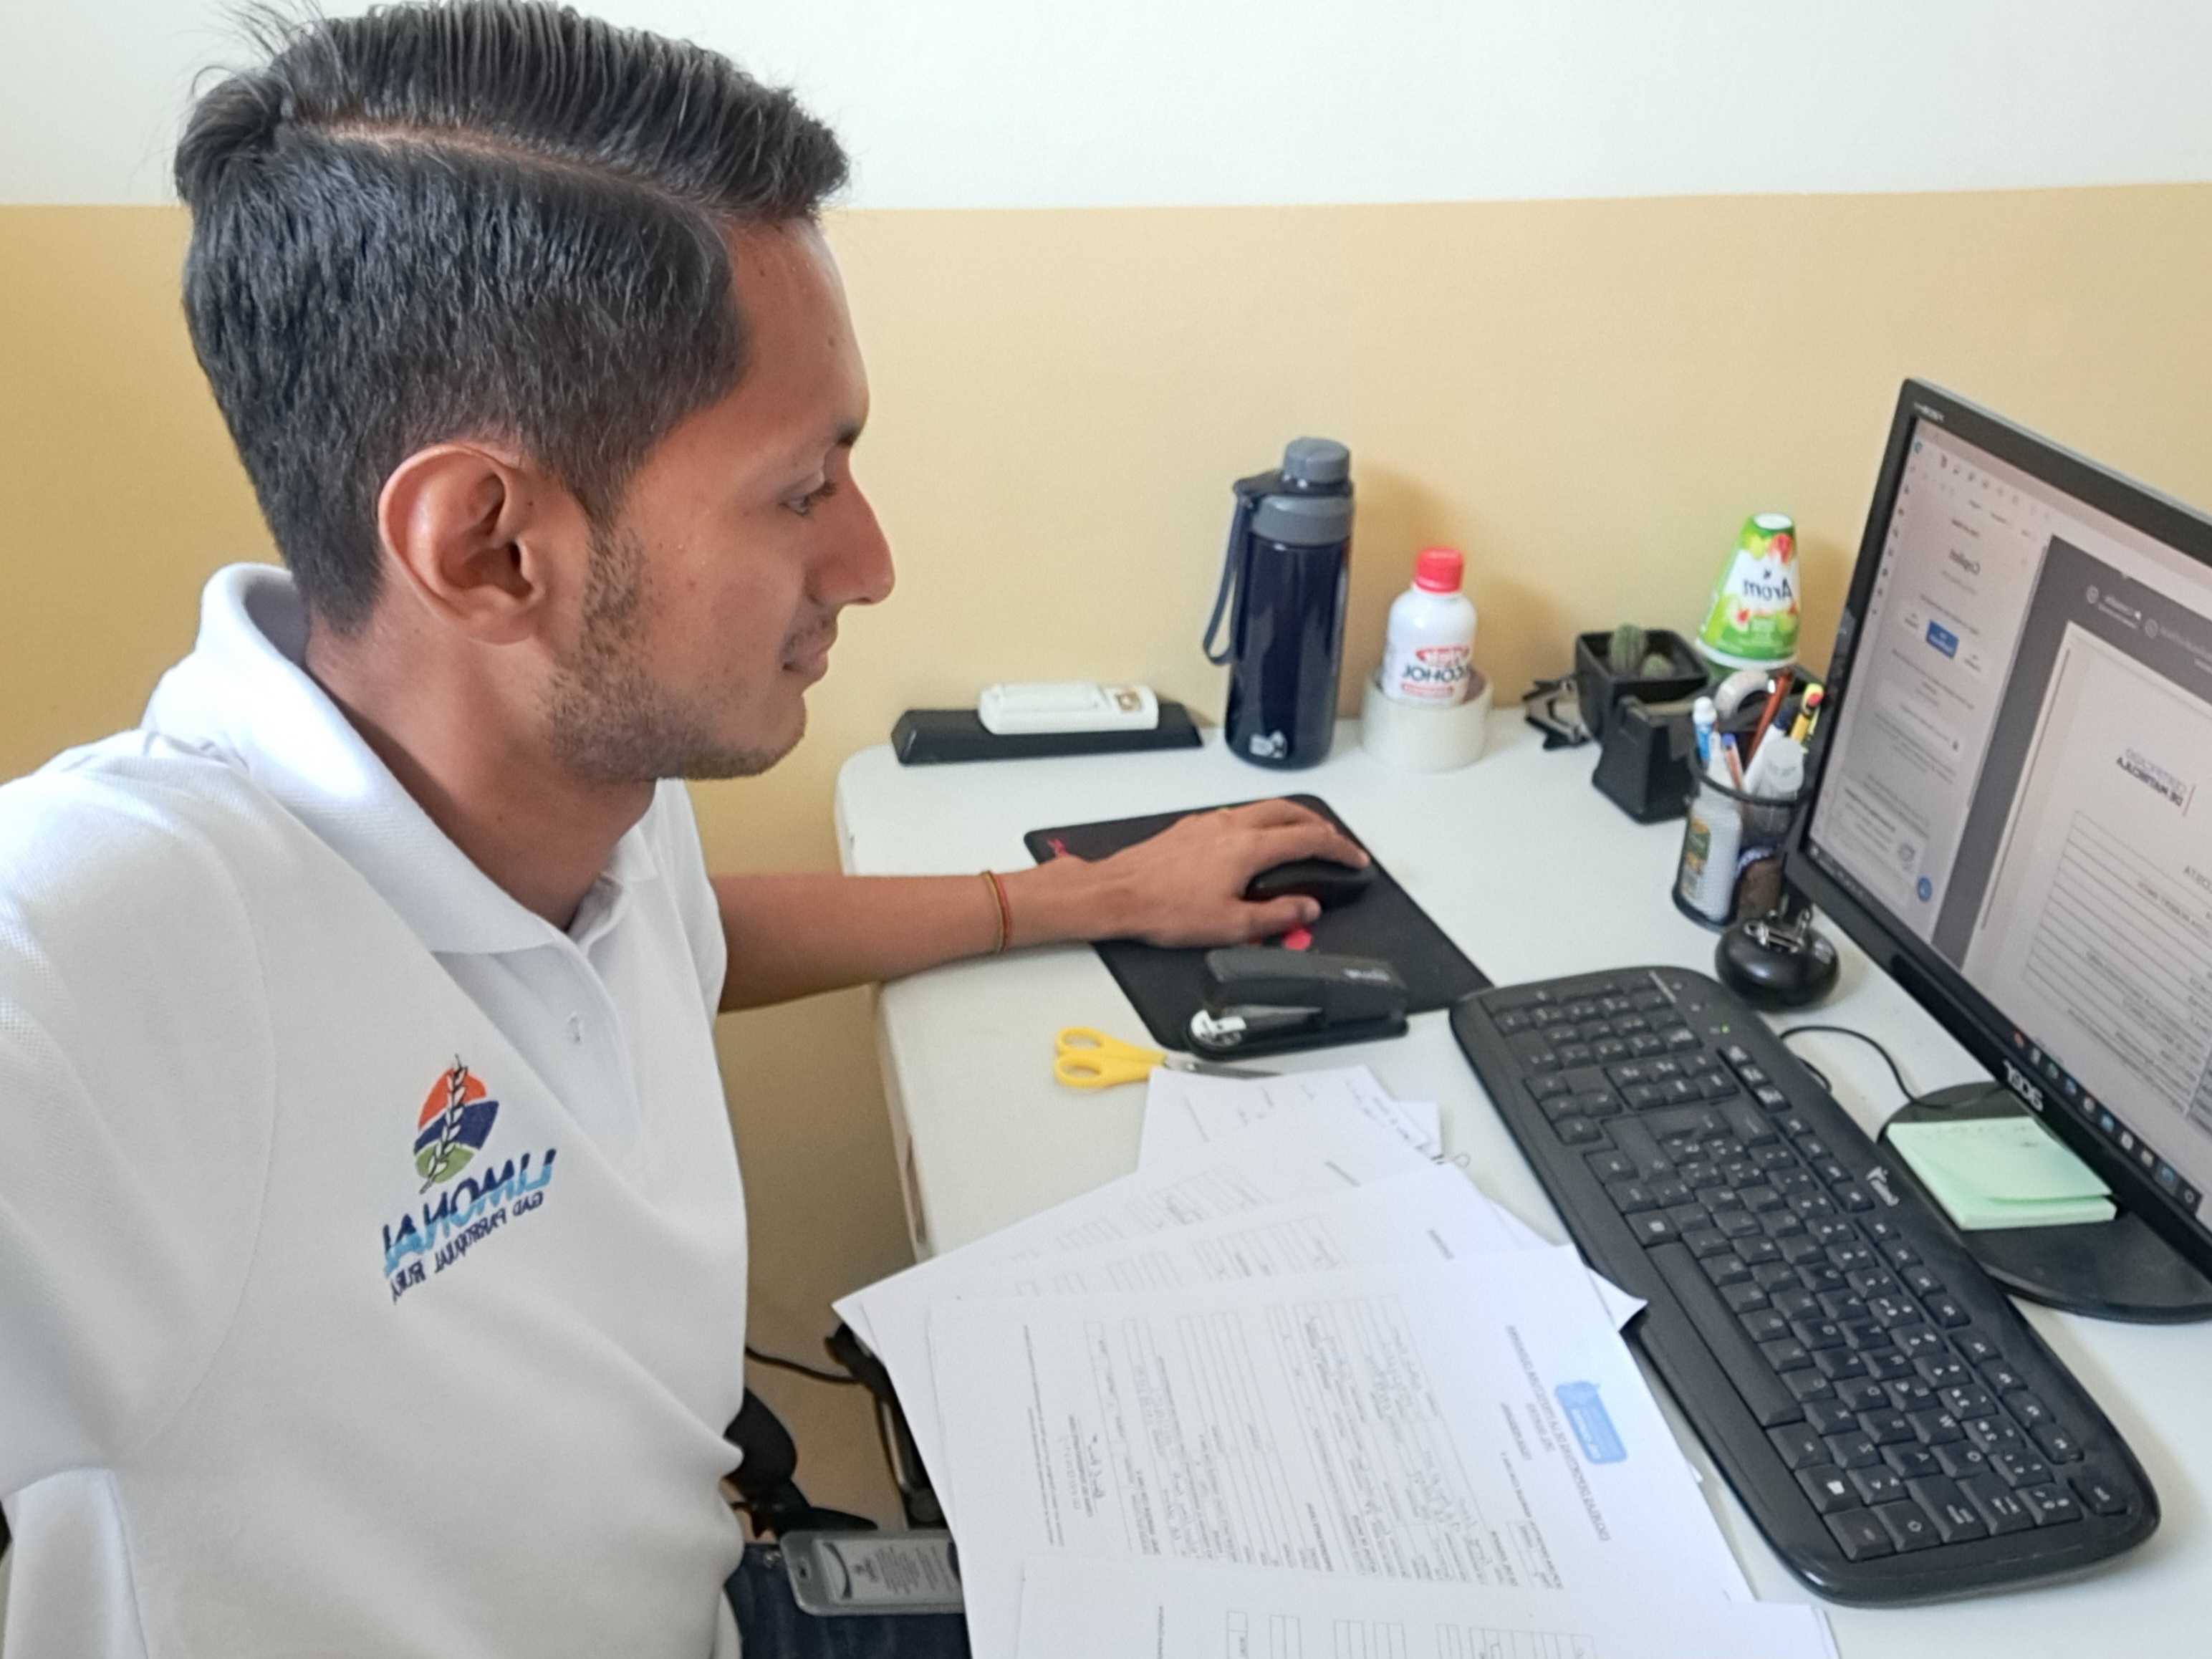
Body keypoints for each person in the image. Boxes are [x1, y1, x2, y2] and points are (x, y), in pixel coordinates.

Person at [0, 4, 1367, 1655]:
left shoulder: (582, 794)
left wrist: (1076, 898)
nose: (868, 564)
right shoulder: (113, 949)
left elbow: (685, 940)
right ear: (490, 546)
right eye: (802, 488)